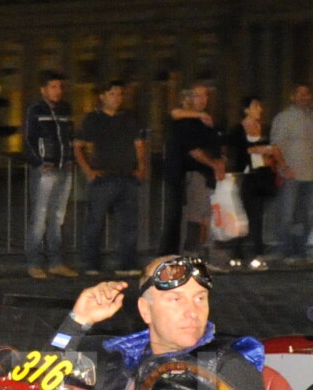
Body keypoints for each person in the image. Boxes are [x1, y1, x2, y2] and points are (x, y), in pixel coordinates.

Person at [50, 254, 279, 390]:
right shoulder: (115, 359)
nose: (192, 312)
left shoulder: (223, 364)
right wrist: (76, 322)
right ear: (145, 310)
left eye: (200, 298)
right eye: (175, 299)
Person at [72, 80, 146, 276]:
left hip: (127, 176)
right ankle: (92, 263)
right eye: (112, 94)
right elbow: (78, 146)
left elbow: (139, 144)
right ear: (102, 97)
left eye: (120, 94)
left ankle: (127, 263)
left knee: (129, 223)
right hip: (103, 176)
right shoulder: (92, 119)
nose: (117, 98)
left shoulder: (130, 118)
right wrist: (88, 170)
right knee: (95, 222)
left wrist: (141, 168)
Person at [22, 71, 77, 280]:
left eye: (60, 86)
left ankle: (56, 263)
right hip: (46, 169)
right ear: (43, 90)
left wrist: (70, 159)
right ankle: (34, 263)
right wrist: (39, 161)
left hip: (63, 167)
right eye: (53, 87)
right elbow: (29, 138)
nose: (58, 91)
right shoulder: (35, 111)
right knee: (40, 217)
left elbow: (69, 137)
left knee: (57, 218)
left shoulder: (65, 110)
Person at [161, 82, 227, 257]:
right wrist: (213, 164)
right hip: (193, 173)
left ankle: (203, 251)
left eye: (205, 96)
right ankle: (189, 253)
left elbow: (216, 145)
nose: (203, 99)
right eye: (198, 95)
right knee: (194, 216)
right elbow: (194, 150)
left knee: (206, 215)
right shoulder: (185, 121)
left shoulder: (206, 121)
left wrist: (220, 162)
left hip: (207, 175)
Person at [270, 83, 313, 263]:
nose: (304, 97)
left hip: (312, 174)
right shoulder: (284, 117)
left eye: (307, 94)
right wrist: (284, 167)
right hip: (291, 174)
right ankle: (285, 251)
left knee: (306, 215)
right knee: (287, 215)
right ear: (292, 96)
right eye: (300, 94)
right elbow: (275, 146)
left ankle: (301, 251)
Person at [224, 95, 279, 270]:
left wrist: (265, 152)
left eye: (259, 106)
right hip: (244, 176)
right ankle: (237, 253)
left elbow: (273, 149)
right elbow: (236, 152)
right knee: (242, 216)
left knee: (257, 215)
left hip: (262, 176)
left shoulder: (265, 128)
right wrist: (254, 151)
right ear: (246, 109)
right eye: (255, 106)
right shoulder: (237, 130)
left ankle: (257, 254)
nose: (259, 109)